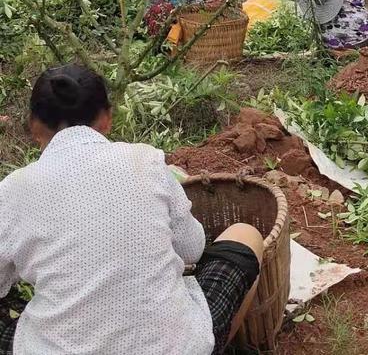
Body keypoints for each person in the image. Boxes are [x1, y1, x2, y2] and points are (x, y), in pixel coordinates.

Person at [0, 64, 262, 355]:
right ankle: (219, 345)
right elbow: (192, 248)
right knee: (244, 234)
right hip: (172, 348)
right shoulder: (145, 161)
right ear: (107, 118)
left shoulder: (13, 189)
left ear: (34, 126)